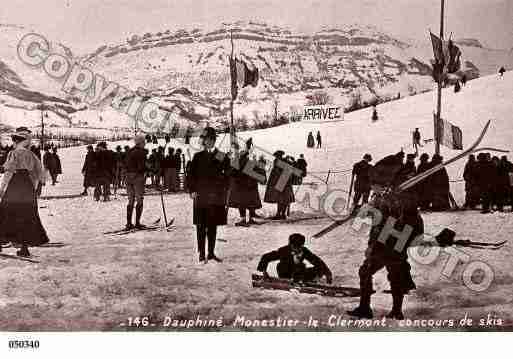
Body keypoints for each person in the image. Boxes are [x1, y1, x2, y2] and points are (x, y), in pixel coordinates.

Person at [347, 191, 423, 320]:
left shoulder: (391, 199)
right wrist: (363, 210)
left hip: (386, 242)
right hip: (397, 242)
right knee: (395, 275)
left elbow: (385, 220)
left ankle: (366, 308)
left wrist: (373, 245)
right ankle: (396, 311)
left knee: (367, 272)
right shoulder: (393, 198)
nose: (372, 188)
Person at [0, 127, 49, 257]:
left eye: (14, 140)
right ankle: (24, 248)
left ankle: (1, 242)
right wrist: (33, 187)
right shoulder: (31, 154)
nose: (13, 143)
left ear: (17, 141)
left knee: (6, 211)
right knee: (26, 215)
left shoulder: (13, 153)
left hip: (15, 184)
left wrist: (2, 188)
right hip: (27, 185)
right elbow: (39, 173)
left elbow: (8, 172)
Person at [187, 127, 230, 263]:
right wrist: (192, 190)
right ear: (204, 141)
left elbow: (228, 174)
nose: (208, 142)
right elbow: (191, 176)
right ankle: (201, 253)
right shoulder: (198, 156)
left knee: (212, 226)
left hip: (216, 197)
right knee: (200, 226)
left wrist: (223, 186)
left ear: (214, 140)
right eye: (206, 140)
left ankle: (211, 253)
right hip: (200, 196)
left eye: (211, 140)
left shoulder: (222, 156)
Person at [257, 233, 332, 284]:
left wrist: (327, 273)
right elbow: (266, 257)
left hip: (299, 273)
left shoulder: (304, 251)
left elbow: (317, 261)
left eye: (299, 247)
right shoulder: (284, 250)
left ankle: (308, 280)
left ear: (301, 246)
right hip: (286, 273)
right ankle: (298, 279)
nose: (296, 249)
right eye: (294, 247)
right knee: (282, 265)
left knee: (316, 268)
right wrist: (263, 272)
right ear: (291, 245)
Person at [227, 139, 263, 226]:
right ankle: (246, 219)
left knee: (246, 201)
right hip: (246, 184)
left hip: (246, 184)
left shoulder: (245, 157)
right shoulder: (245, 157)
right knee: (246, 202)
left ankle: (247, 219)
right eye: (250, 147)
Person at [264, 150, 296, 220]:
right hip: (285, 183)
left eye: (277, 156)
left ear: (278, 156)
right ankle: (282, 214)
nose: (276, 157)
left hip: (281, 183)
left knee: (280, 199)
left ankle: (279, 214)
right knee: (284, 199)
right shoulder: (285, 162)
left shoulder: (279, 162)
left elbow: (276, 174)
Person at [125, 135, 147, 229]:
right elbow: (141, 166)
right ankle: (137, 223)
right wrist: (149, 169)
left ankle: (129, 223)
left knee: (130, 200)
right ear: (140, 143)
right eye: (144, 142)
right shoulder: (141, 152)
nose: (145, 144)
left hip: (128, 177)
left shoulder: (129, 151)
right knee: (139, 200)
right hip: (137, 177)